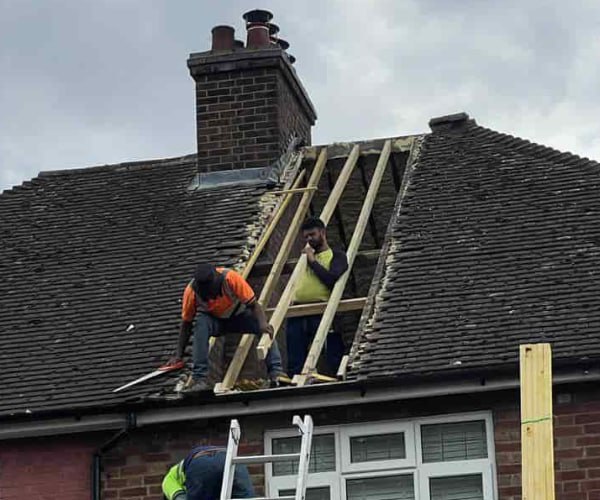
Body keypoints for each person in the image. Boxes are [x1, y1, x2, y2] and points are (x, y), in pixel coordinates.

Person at [172, 263, 286, 392]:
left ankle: (276, 372)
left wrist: (263, 324)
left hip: (239, 317)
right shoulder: (191, 291)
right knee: (201, 324)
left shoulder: (231, 278)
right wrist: (178, 356)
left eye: (213, 293)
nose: (211, 298)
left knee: (264, 327)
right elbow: (186, 324)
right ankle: (199, 379)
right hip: (215, 322)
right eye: (207, 295)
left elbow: (254, 305)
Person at [286, 217, 349, 376]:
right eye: (306, 237)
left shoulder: (337, 255)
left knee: (329, 350)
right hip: (298, 311)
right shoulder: (303, 259)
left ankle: (333, 376)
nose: (309, 239)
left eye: (312, 235)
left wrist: (313, 260)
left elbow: (331, 279)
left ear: (322, 232)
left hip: (321, 310)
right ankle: (294, 381)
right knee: (295, 353)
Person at [162, 445, 254, 500]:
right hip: (232, 458)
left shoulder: (168, 482)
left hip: (202, 462)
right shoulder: (176, 474)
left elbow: (181, 498)